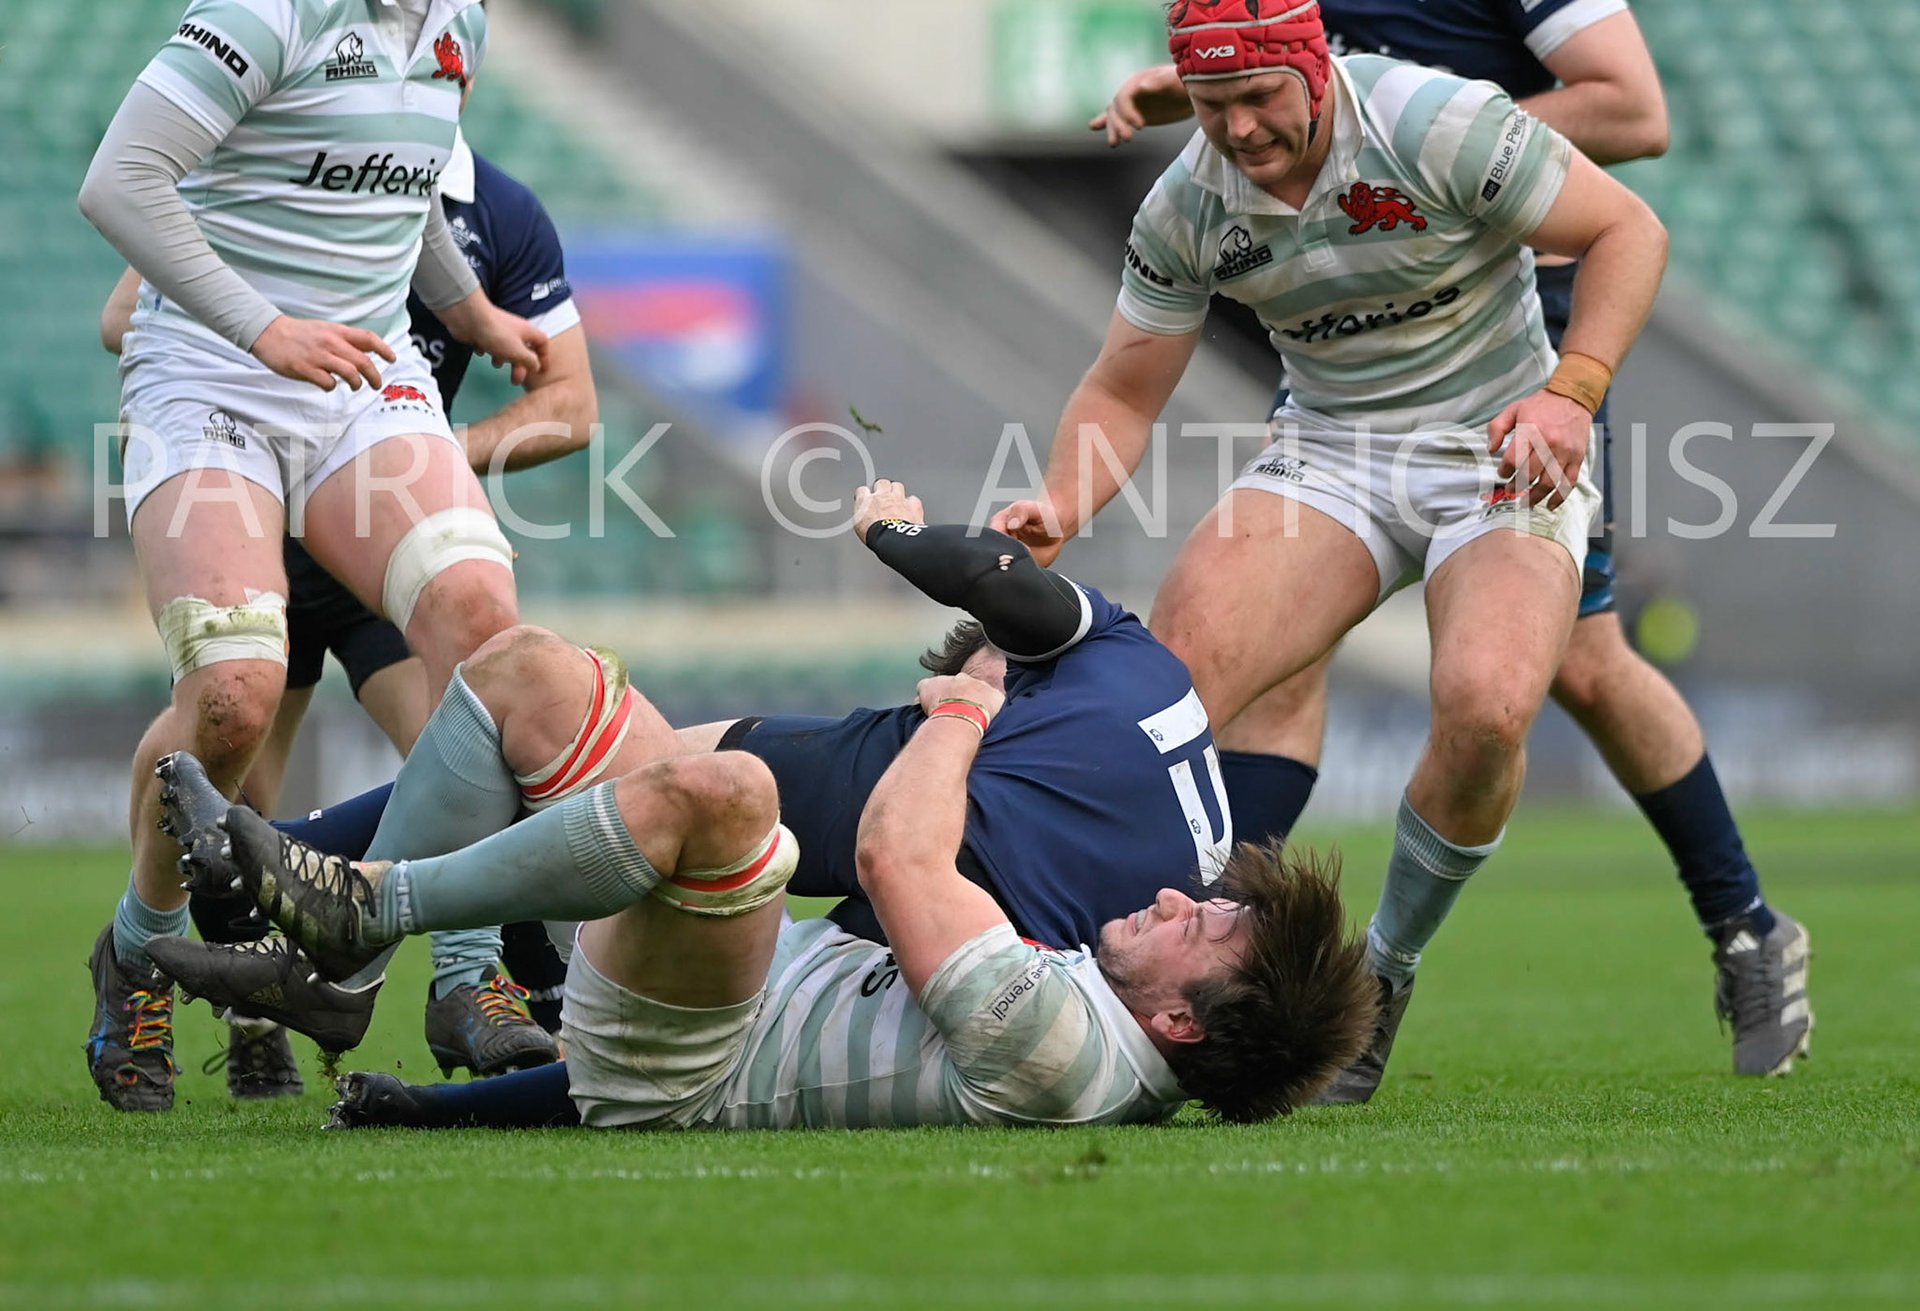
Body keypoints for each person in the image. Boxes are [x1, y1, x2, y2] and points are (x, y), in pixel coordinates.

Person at [1084, 0, 1811, 1082]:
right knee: (1272, 658)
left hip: (1512, 343)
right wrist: (1209, 97)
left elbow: (1633, 110)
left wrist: (1419, 168)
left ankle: (1744, 926)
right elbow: (1321, 63)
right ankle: (1250, 966)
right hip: (1354, 344)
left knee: (1567, 673)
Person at [996, 0, 1672, 1102]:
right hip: (1333, 453)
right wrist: (1065, 496)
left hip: (1495, 446)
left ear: (1317, 67)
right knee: (1160, 691)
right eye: (1212, 105)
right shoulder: (1187, 202)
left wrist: (1572, 393)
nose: (1242, 128)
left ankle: (1385, 971)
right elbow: (1121, 384)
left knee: (1487, 707)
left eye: (1261, 96)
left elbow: (1630, 230)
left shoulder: (1434, 122)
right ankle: (1091, 976)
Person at [148, 478, 1328, 1125]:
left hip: (680, 1014)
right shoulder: (1108, 932)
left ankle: (351, 917)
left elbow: (889, 856)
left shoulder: (1025, 796)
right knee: (521, 667)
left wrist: (941, 673)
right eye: (1209, 905)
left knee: (725, 787)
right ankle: (351, 959)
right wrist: (424, 1114)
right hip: (702, 993)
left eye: (1202, 924)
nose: (1182, 899)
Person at [75, 0, 550, 1112]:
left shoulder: (460, 9)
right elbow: (122, 182)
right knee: (230, 700)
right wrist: (261, 324)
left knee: (481, 624)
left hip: (360, 378)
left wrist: (473, 313)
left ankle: (468, 970)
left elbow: (398, 197)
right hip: (210, 377)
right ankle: (137, 954)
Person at [96, 112, 599, 1094]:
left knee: (461, 738)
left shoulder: (499, 211)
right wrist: (260, 337)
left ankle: (466, 978)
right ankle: (165, 966)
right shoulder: (270, 171)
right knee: (227, 758)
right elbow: (128, 313)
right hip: (247, 517)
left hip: (374, 530)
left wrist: (427, 457)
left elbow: (571, 404)